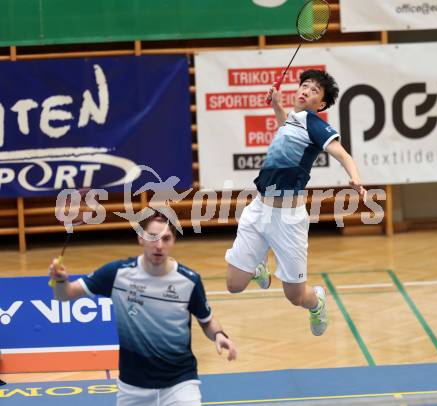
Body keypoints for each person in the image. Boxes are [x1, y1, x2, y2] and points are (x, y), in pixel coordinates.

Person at [225, 69, 366, 336]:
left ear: (321, 104)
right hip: (259, 209)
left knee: (296, 296)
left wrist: (355, 178)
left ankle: (317, 302)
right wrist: (277, 105)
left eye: (314, 90)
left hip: (287, 221)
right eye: (304, 85)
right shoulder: (293, 119)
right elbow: (284, 127)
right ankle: (258, 264)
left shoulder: (315, 124)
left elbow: (343, 155)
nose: (305, 91)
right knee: (233, 285)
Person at [49, 211, 237, 406]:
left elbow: (207, 320)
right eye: (152, 237)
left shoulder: (188, 280)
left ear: (173, 241)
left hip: (179, 384)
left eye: (166, 239)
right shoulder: (118, 274)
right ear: (141, 238)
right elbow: (65, 295)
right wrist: (60, 281)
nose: (159, 246)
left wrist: (219, 335)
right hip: (133, 388)